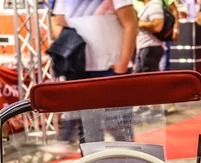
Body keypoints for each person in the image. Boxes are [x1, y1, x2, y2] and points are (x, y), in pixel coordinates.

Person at [50, 0, 137, 153]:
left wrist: (123, 63)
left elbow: (131, 24)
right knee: (89, 133)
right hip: (80, 70)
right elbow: (58, 22)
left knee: (119, 128)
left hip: (111, 69)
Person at [136, 0, 165, 73]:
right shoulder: (147, 7)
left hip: (151, 47)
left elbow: (158, 26)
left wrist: (140, 23)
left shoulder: (154, 6)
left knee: (149, 78)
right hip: (144, 47)